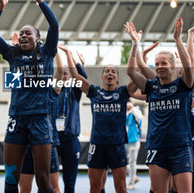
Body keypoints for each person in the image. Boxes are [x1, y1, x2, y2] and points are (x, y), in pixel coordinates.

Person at [0, 0, 59, 193]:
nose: (24, 35)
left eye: (29, 33)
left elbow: (54, 24)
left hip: (40, 119)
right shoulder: (12, 54)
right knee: (10, 177)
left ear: (38, 38)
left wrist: (39, 0)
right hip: (17, 118)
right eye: (21, 33)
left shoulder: (47, 53)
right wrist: (0, 7)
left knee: (43, 180)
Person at [126, 18, 194, 193]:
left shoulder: (182, 85)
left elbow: (188, 67)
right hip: (157, 147)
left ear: (172, 66)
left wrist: (178, 39)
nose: (159, 67)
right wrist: (135, 43)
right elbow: (132, 71)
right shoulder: (152, 86)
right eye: (156, 64)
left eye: (163, 63)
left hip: (180, 147)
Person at [58, 44, 138, 193]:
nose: (110, 73)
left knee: (121, 187)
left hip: (117, 145)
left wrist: (135, 45)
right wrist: (69, 53)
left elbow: (138, 77)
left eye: (113, 71)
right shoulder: (94, 92)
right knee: (94, 187)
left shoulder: (123, 93)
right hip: (97, 145)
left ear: (117, 78)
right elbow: (76, 76)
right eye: (107, 71)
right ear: (102, 77)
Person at [19, 52, 62, 193]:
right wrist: (18, 53)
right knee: (24, 188)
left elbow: (60, 71)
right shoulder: (23, 90)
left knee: (53, 188)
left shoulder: (51, 90)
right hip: (26, 145)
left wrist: (54, 50)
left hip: (47, 144)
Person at [55, 49, 87, 193]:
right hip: (52, 140)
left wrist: (78, 63)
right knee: (47, 181)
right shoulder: (50, 91)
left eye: (66, 74)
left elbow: (82, 78)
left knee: (70, 182)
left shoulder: (74, 92)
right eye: (61, 73)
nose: (63, 76)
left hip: (71, 140)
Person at [125, 100, 143, 190]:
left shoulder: (136, 112)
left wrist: (132, 107)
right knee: (122, 162)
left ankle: (131, 183)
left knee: (132, 162)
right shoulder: (125, 114)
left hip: (134, 141)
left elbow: (139, 117)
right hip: (125, 141)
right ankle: (134, 176)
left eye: (129, 103)